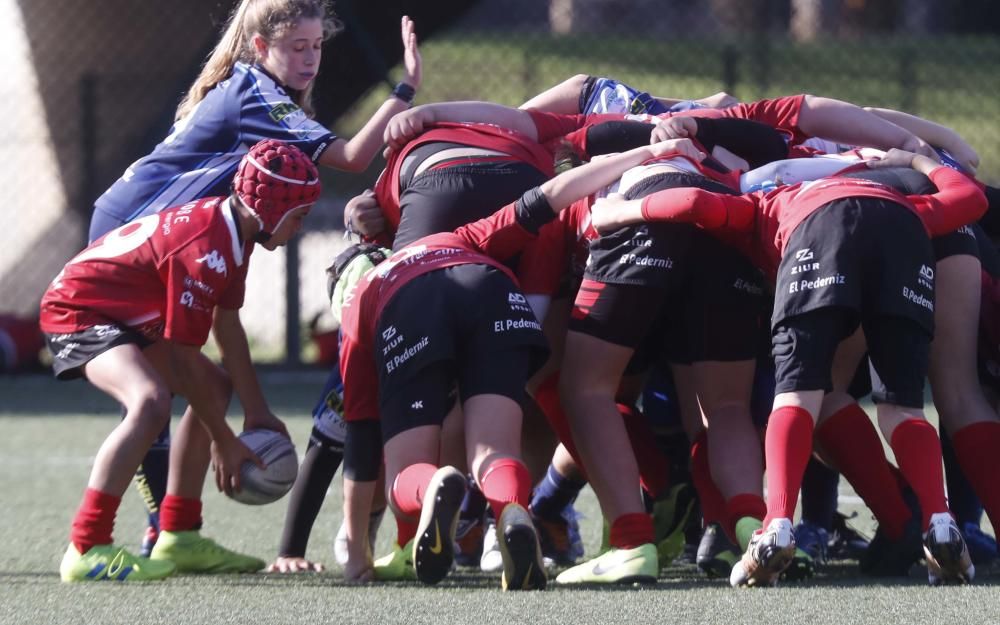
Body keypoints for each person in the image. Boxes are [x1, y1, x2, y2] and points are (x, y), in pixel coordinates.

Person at [87, 0, 422, 559]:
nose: (310, 59)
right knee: (166, 388)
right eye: (297, 47)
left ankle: (176, 530)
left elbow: (226, 317)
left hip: (149, 233)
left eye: (316, 47)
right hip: (133, 234)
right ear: (262, 48)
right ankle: (135, 535)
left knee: (203, 386)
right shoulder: (257, 93)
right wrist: (406, 89)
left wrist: (256, 407)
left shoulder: (255, 95)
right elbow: (352, 154)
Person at [591, 148, 987, 586]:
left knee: (798, 393)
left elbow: (694, 203)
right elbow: (971, 198)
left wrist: (617, 211)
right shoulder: (900, 200)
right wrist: (919, 162)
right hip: (904, 229)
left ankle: (777, 523)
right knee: (904, 407)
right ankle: (939, 517)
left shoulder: (766, 202)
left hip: (815, 228)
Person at [332, 139, 700, 587]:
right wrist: (640, 155)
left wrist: (355, 547)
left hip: (412, 304)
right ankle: (510, 511)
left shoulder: (360, 303)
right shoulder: (458, 237)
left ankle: (432, 488)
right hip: (491, 287)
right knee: (495, 453)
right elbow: (548, 197)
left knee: (406, 470)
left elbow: (362, 441)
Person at [41, 140, 320, 582]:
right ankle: (87, 545)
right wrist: (225, 440)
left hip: (123, 313)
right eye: (298, 217)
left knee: (215, 387)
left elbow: (227, 328)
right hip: (78, 311)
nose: (298, 229)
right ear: (270, 209)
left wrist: (258, 412)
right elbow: (186, 358)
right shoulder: (206, 246)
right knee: (150, 402)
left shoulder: (236, 234)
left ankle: (179, 534)